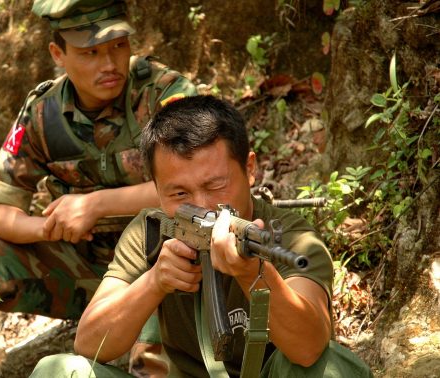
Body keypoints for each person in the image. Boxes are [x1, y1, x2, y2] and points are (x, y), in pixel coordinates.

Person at [0, 0, 197, 375]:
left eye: (117, 46)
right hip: (82, 269)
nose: (109, 64)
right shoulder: (43, 114)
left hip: (164, 262)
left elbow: (198, 188)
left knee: (152, 357)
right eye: (90, 53)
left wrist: (96, 205)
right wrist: (50, 226)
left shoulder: (164, 95)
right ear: (58, 54)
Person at [30, 95, 372, 377]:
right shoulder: (149, 231)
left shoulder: (291, 238)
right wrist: (155, 282)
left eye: (216, 185)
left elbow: (310, 346)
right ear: (157, 191)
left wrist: (252, 273)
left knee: (332, 370)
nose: (204, 205)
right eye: (179, 194)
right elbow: (89, 344)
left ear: (249, 169)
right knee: (59, 371)